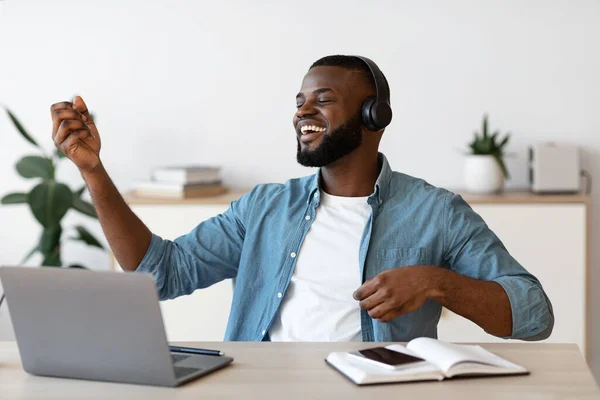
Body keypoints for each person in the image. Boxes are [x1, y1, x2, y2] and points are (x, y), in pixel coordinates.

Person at [51, 55, 553, 342]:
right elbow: (159, 273)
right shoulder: (265, 207)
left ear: (374, 117)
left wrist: (437, 283)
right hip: (266, 390)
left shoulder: (435, 213)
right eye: (300, 101)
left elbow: (534, 314)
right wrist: (93, 172)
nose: (303, 111)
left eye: (324, 100)